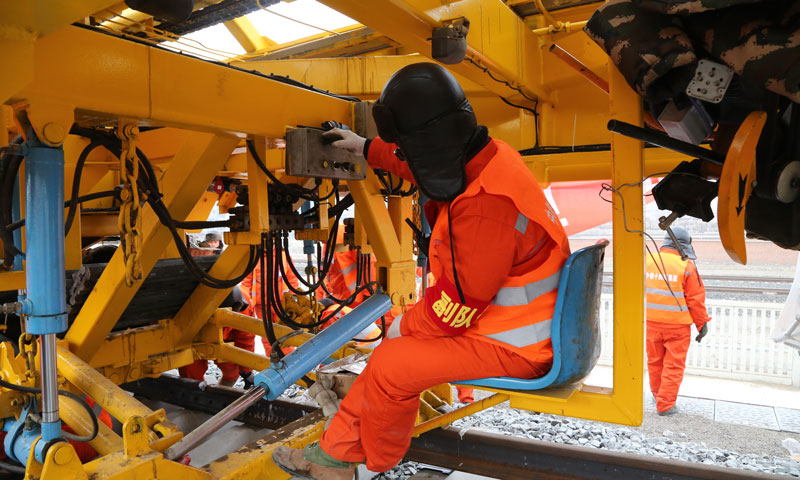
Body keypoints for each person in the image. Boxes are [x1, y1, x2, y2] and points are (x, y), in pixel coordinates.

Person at [272, 62, 570, 479]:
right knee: (387, 360)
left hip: (516, 346)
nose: (409, 156)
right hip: (508, 326)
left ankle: (367, 465)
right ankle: (333, 458)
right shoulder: (492, 158)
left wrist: (404, 326)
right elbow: (432, 167)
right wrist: (367, 149)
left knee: (392, 364)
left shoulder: (486, 210)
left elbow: (456, 307)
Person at [645, 227, 711, 416]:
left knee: (655, 362)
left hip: (651, 324)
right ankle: (665, 405)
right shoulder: (686, 266)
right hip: (677, 327)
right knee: (673, 365)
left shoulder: (648, 261)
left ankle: (658, 395)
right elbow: (695, 300)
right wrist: (702, 325)